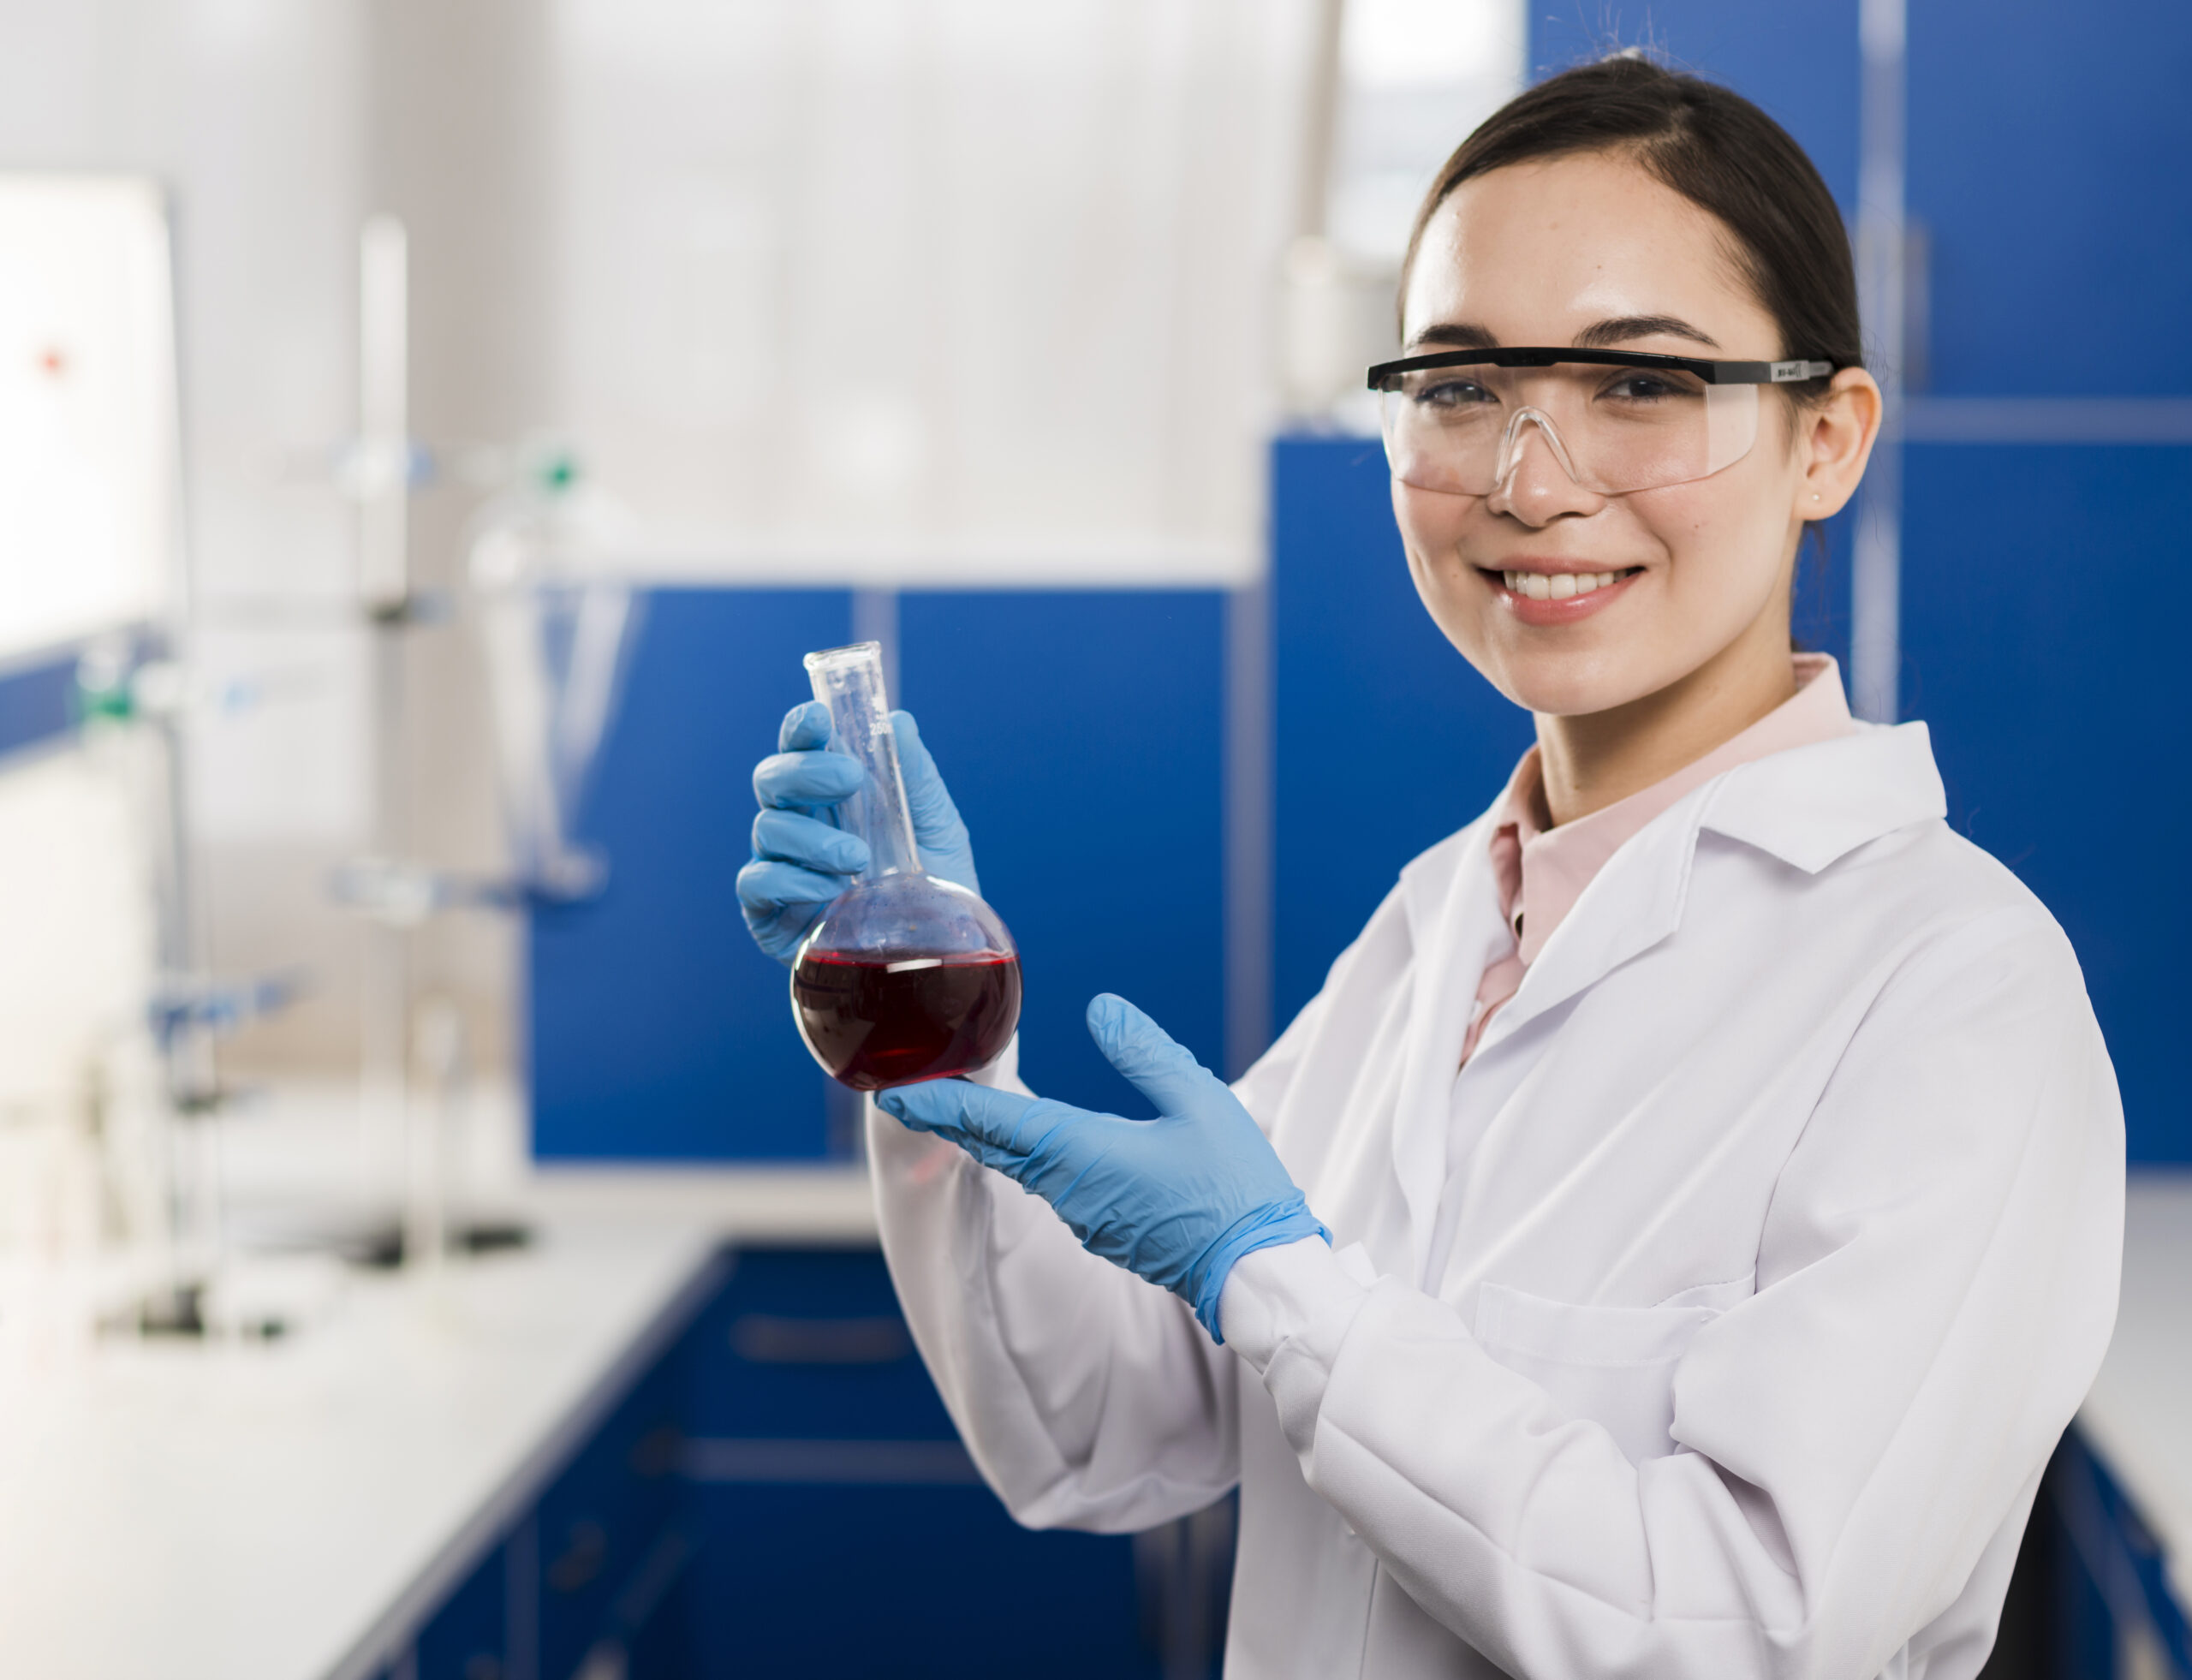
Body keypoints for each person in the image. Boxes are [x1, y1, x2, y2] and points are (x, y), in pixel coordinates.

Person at [736, 56, 2123, 1680]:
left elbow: (1752, 1632)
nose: (1532, 481)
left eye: (1642, 384)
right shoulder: (1441, 930)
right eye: (1461, 388)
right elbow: (1095, 1430)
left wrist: (1283, 1280)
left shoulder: (1953, 989)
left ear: (1826, 438)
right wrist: (936, 1057)